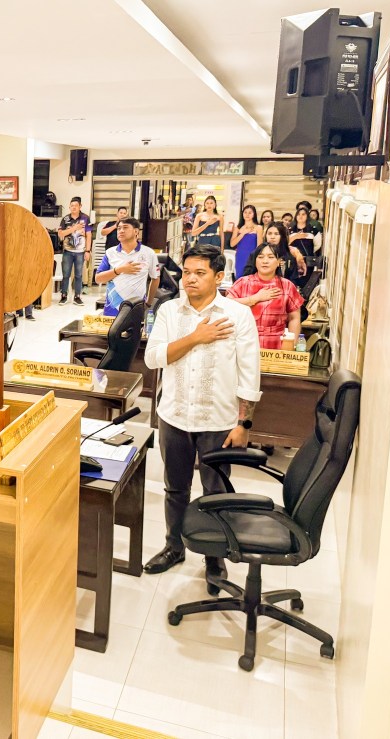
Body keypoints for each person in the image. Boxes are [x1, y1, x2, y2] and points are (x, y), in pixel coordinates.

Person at [142, 244, 261, 577]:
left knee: (216, 492)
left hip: (218, 421)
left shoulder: (237, 315)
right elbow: (153, 358)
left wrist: (244, 423)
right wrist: (196, 337)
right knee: (175, 489)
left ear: (219, 277)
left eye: (199, 273)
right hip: (174, 416)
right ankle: (174, 547)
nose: (190, 279)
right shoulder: (169, 311)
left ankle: (214, 557)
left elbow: (249, 372)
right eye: (186, 272)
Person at [226, 243, 304, 348]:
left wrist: (291, 345)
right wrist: (254, 299)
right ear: (255, 261)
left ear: (279, 262)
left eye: (270, 257)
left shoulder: (287, 286)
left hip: (276, 344)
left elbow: (294, 318)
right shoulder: (243, 282)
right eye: (260, 257)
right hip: (245, 341)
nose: (265, 261)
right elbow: (226, 305)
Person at [95, 217, 161, 315]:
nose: (121, 231)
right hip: (112, 308)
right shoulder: (110, 253)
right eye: (119, 228)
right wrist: (120, 269)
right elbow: (98, 279)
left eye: (125, 227)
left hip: (136, 307)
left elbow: (155, 278)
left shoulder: (149, 253)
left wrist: (148, 303)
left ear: (136, 231)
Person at [242, 223, 306, 283]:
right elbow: (247, 274)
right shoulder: (257, 253)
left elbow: (293, 279)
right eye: (269, 233)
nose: (272, 237)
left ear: (282, 236)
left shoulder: (289, 254)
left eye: (276, 234)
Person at [57, 196, 92, 305]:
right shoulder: (65, 219)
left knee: (78, 275)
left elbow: (89, 235)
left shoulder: (85, 218)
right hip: (67, 251)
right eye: (72, 206)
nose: (74, 207)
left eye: (76, 205)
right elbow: (61, 234)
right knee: (65, 274)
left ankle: (77, 296)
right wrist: (74, 228)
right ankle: (64, 295)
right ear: (69, 207)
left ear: (80, 206)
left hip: (80, 252)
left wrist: (88, 251)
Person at [230, 204, 262, 279]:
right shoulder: (237, 228)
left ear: (254, 214)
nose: (247, 214)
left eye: (250, 213)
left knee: (251, 277)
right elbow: (232, 244)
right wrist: (243, 233)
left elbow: (259, 246)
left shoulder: (258, 228)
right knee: (240, 276)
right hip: (240, 256)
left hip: (252, 256)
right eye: (245, 212)